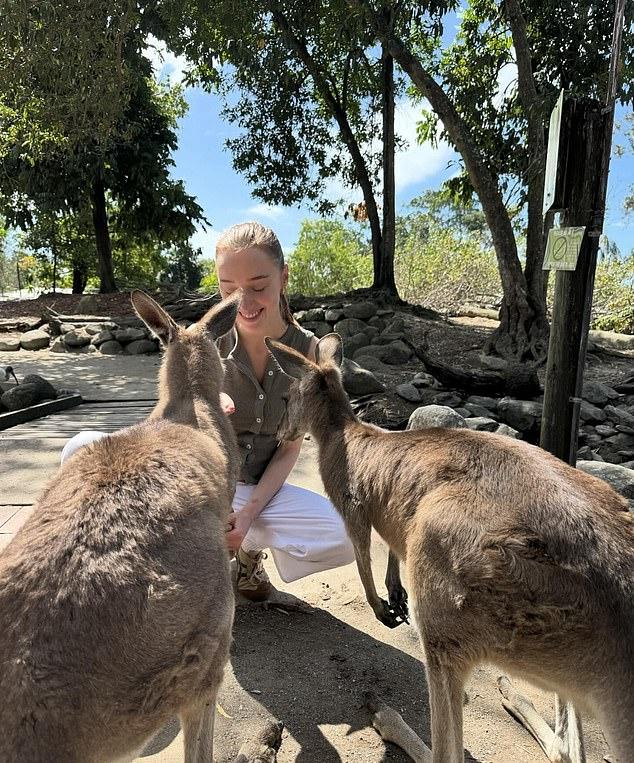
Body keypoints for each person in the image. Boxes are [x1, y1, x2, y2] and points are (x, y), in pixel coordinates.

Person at [60, 221, 355, 602]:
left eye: (259, 286)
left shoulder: (309, 353)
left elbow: (289, 449)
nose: (244, 303)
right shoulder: (204, 339)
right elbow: (163, 423)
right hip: (204, 481)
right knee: (81, 451)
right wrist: (198, 402)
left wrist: (247, 515)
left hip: (260, 492)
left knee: (343, 533)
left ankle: (248, 553)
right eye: (229, 290)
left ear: (283, 278)